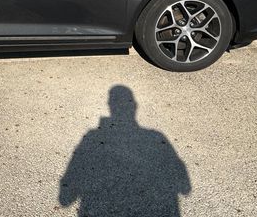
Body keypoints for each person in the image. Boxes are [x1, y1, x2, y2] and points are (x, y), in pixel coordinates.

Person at [59, 85, 191, 216]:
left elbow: (65, 198)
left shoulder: (92, 135)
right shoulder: (156, 136)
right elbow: (185, 187)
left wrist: (68, 194)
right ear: (134, 106)